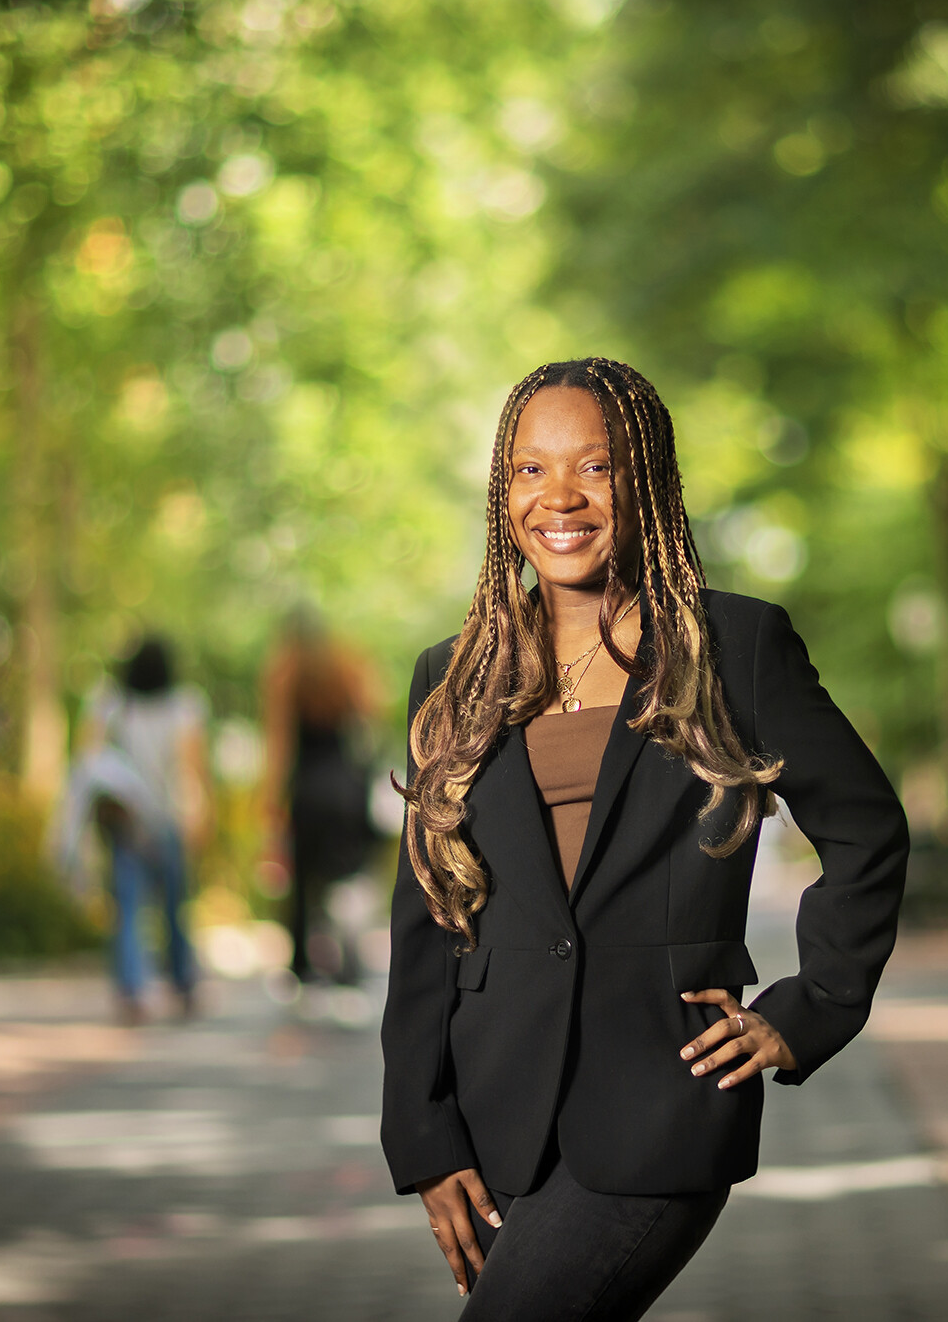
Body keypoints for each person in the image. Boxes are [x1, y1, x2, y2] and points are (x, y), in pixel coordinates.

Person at [382, 358, 908, 1317]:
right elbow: (427, 914)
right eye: (531, 470)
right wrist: (424, 1133)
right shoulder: (453, 675)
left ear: (647, 483)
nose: (560, 497)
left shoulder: (732, 648)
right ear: (503, 491)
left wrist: (809, 1008)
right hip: (495, 1120)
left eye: (596, 467)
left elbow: (867, 830)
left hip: (660, 1103)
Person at [78, 635, 211, 1024]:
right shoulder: (184, 706)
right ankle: (182, 983)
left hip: (126, 819)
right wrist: (202, 815)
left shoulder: (112, 704)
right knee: (174, 906)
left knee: (128, 906)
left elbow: (90, 757)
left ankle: (132, 989)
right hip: (169, 818)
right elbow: (191, 767)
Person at [260, 613, 378, 987]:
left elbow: (280, 745)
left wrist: (272, 801)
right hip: (344, 785)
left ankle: (302, 963)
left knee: (302, 878)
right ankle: (348, 955)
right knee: (345, 873)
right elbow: (368, 721)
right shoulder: (346, 666)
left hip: (306, 788)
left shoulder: (285, 674)